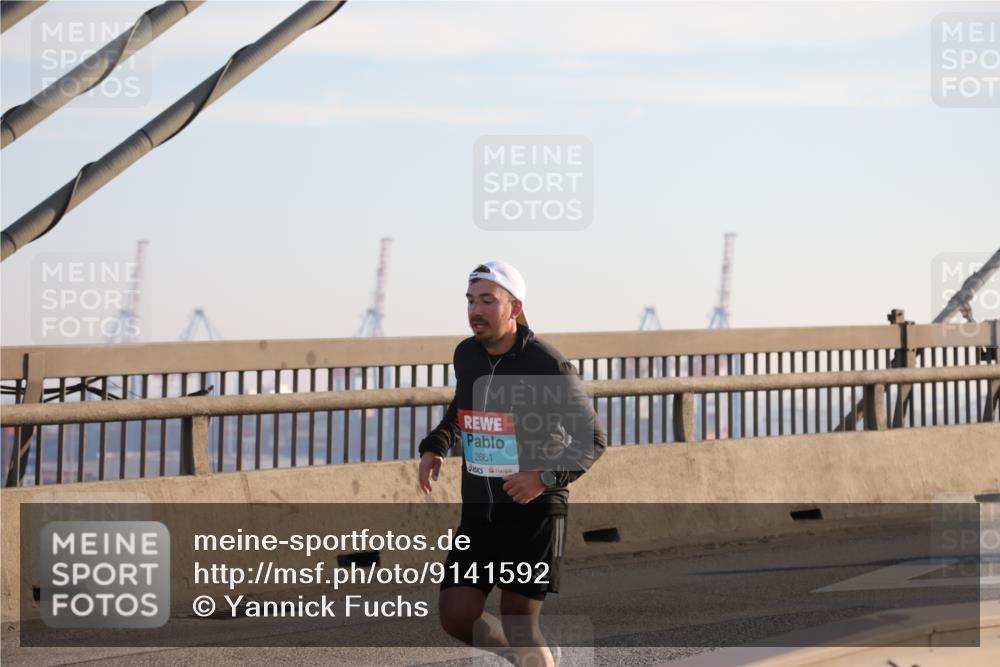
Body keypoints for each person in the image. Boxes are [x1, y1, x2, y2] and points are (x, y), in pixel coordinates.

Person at [418, 261, 607, 667]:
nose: (475, 310)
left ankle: (531, 655)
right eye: (470, 300)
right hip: (481, 511)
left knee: (519, 620)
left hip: (533, 509)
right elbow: (461, 407)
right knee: (456, 615)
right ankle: (530, 660)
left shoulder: (547, 365)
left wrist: (542, 478)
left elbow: (592, 439)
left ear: (514, 308)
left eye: (488, 300)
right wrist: (437, 444)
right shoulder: (467, 354)